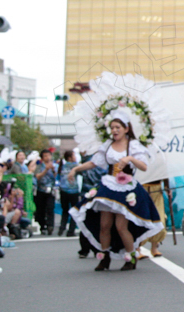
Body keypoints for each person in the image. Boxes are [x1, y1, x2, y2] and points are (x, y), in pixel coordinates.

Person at [68, 110, 162, 272]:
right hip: (109, 186)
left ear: (126, 128)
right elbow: (94, 163)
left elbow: (144, 166)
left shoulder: (133, 145)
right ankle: (104, 258)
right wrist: (76, 169)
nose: (114, 130)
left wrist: (130, 158)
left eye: (118, 127)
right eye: (112, 127)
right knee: (104, 225)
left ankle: (131, 257)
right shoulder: (108, 145)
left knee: (121, 226)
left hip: (126, 188)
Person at [33, 148, 57, 235]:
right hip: (41, 190)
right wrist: (46, 169)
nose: (47, 157)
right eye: (45, 156)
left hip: (51, 190)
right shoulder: (39, 166)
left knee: (50, 208)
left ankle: (50, 226)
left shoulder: (54, 166)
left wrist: (54, 170)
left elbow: (56, 177)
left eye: (49, 155)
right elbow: (37, 176)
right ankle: (42, 226)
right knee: (41, 209)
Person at [56, 150, 80, 237]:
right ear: (70, 158)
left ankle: (61, 228)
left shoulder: (61, 166)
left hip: (63, 191)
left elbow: (58, 177)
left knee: (65, 211)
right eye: (74, 156)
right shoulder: (76, 166)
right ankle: (71, 231)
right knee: (74, 211)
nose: (75, 157)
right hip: (73, 191)